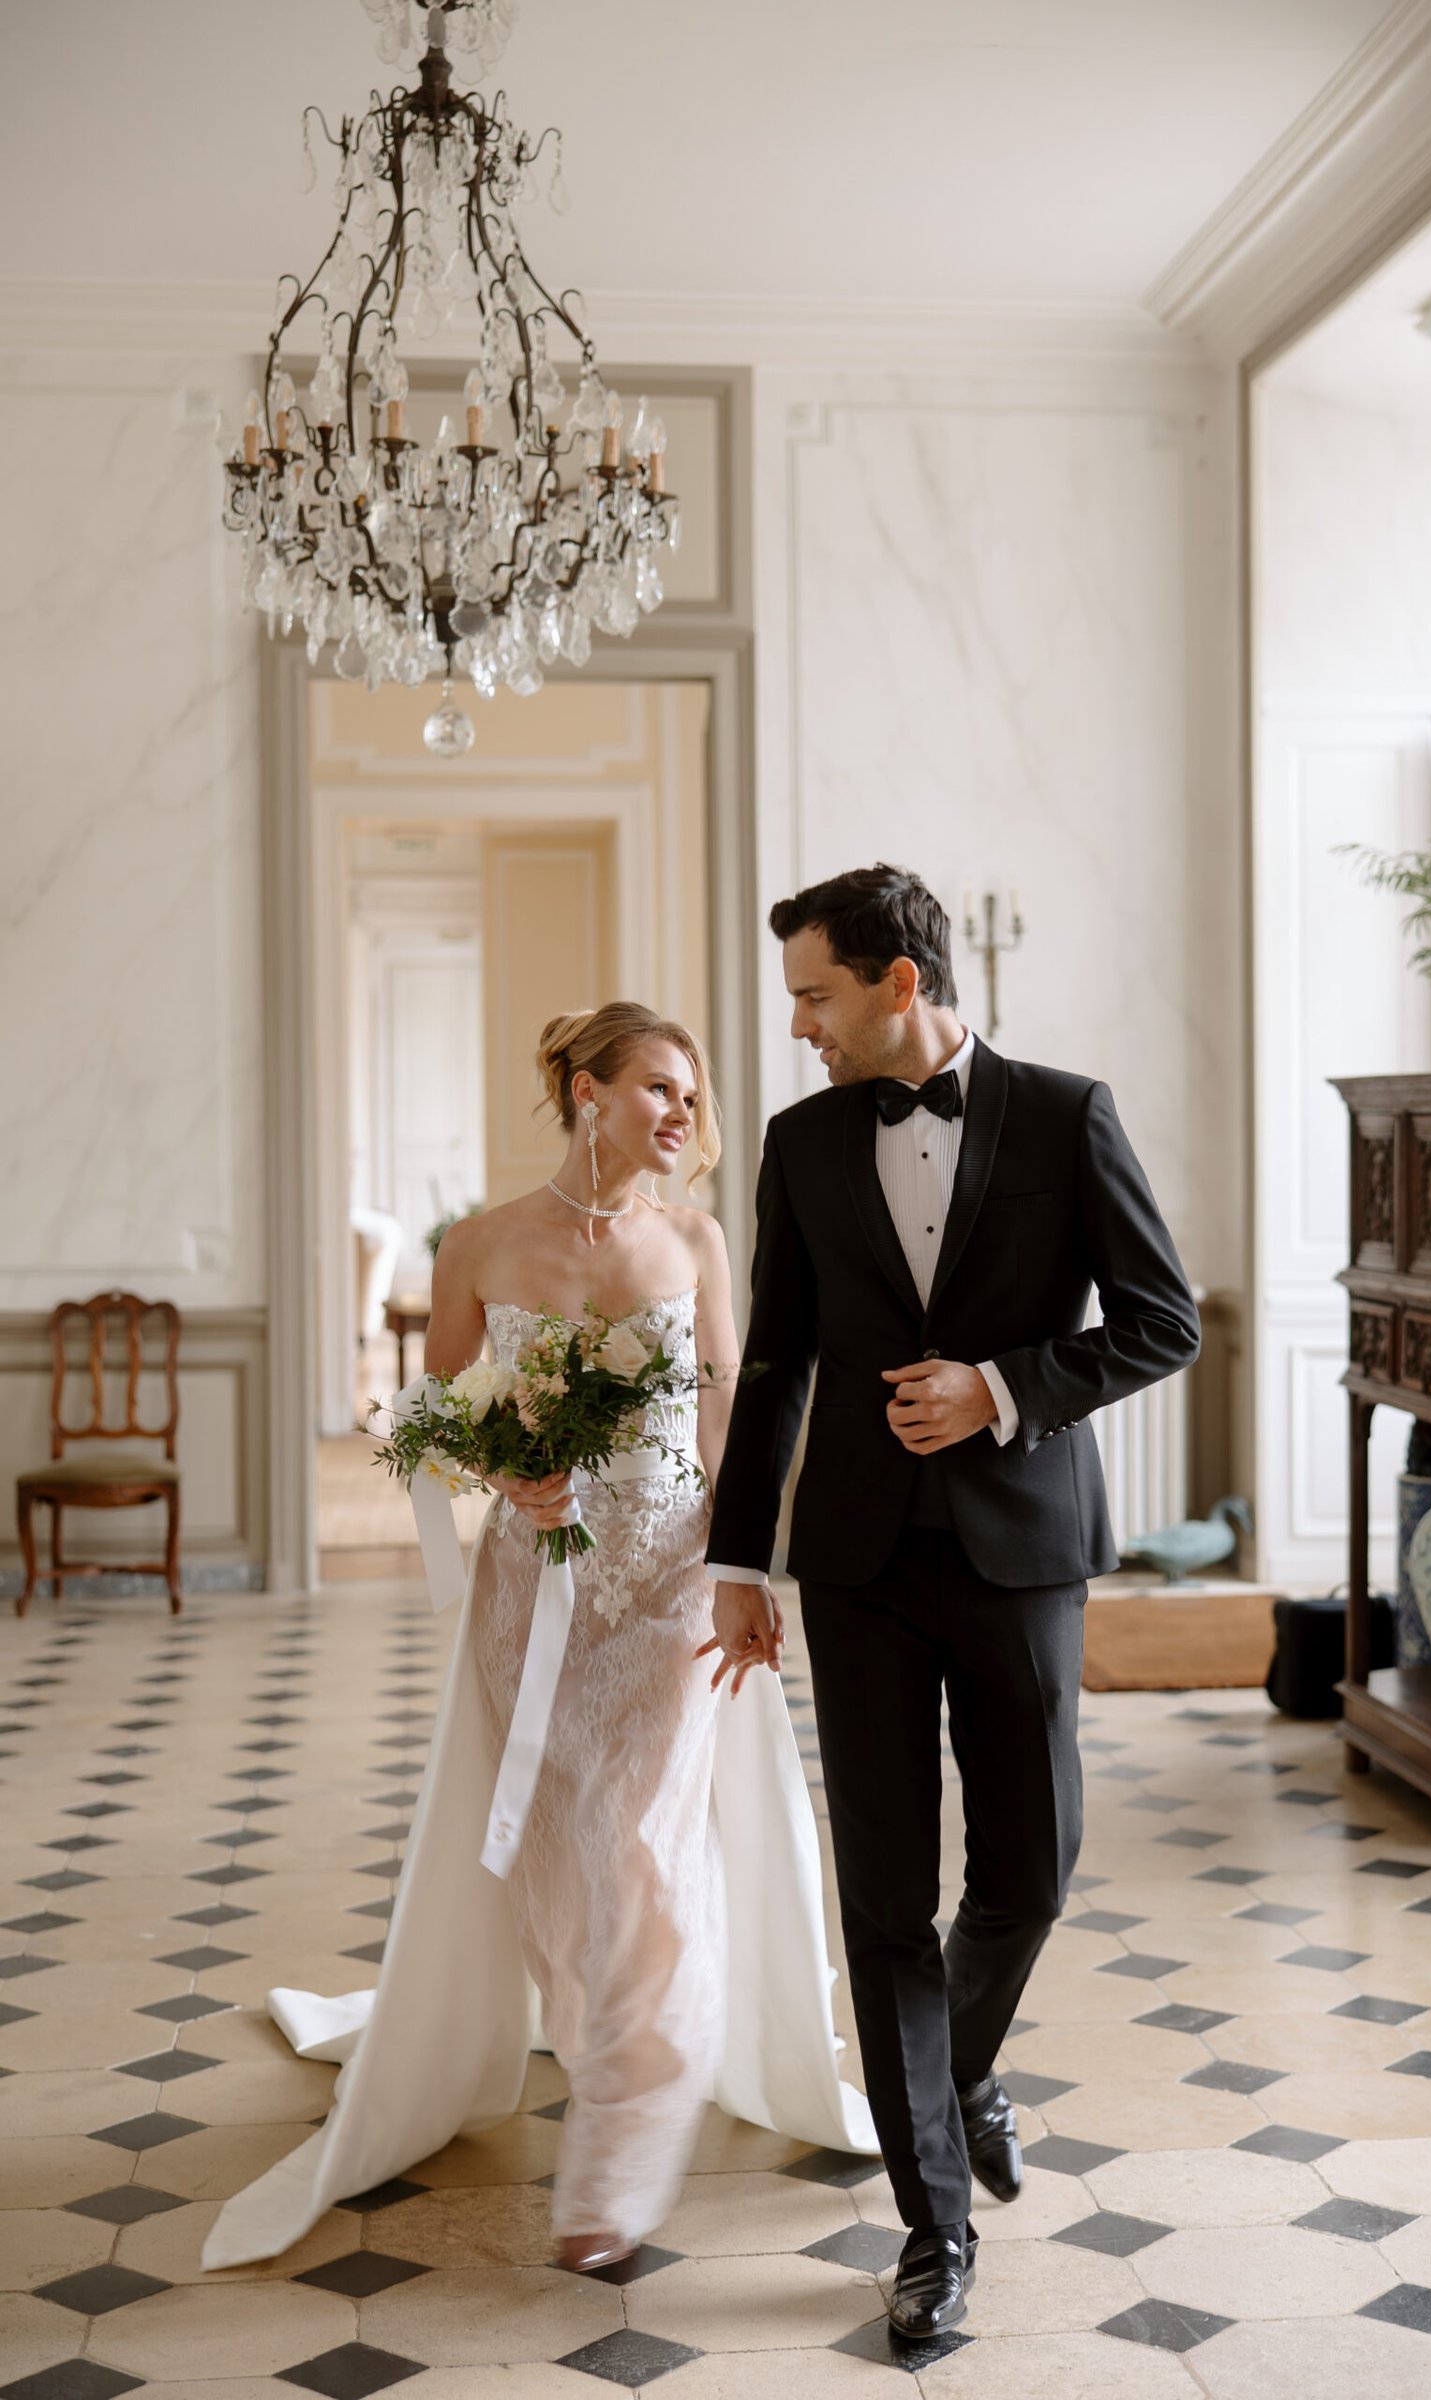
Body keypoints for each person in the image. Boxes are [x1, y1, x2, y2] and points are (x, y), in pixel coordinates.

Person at [204, 1001, 872, 2276]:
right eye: (661, 1089)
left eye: (692, 1096)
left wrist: (747, 1570)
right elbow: (433, 1412)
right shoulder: (482, 1243)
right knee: (565, 1859)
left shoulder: (697, 1239)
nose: (685, 1116)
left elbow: (731, 1423)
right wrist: (507, 1473)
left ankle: (613, 2170)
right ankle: (601, 2033)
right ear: (583, 1089)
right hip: (534, 1603)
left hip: (672, 1591)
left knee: (643, 1849)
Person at [703, 864, 1200, 2340]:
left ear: (898, 984)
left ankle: (960, 2067)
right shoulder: (798, 1144)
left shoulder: (1066, 1113)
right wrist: (740, 1563)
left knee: (1033, 1868)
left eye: (814, 994)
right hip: (854, 1563)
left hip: (1024, 1550)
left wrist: (1003, 1390)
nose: (798, 1025)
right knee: (883, 1897)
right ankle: (933, 2230)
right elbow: (778, 1364)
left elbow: (1161, 1319)